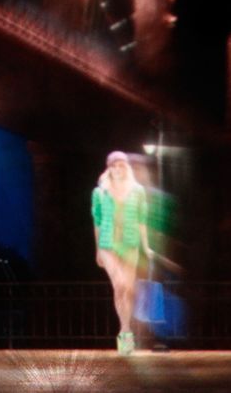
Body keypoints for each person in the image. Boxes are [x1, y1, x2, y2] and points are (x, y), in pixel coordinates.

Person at [92, 150, 153, 355]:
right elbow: (97, 222)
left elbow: (141, 220)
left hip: (130, 243)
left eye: (121, 165)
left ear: (126, 167)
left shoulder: (137, 191)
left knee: (127, 288)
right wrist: (98, 248)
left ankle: (125, 329)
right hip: (108, 243)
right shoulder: (100, 192)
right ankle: (125, 331)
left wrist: (146, 246)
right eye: (114, 166)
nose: (118, 169)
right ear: (109, 169)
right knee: (119, 285)